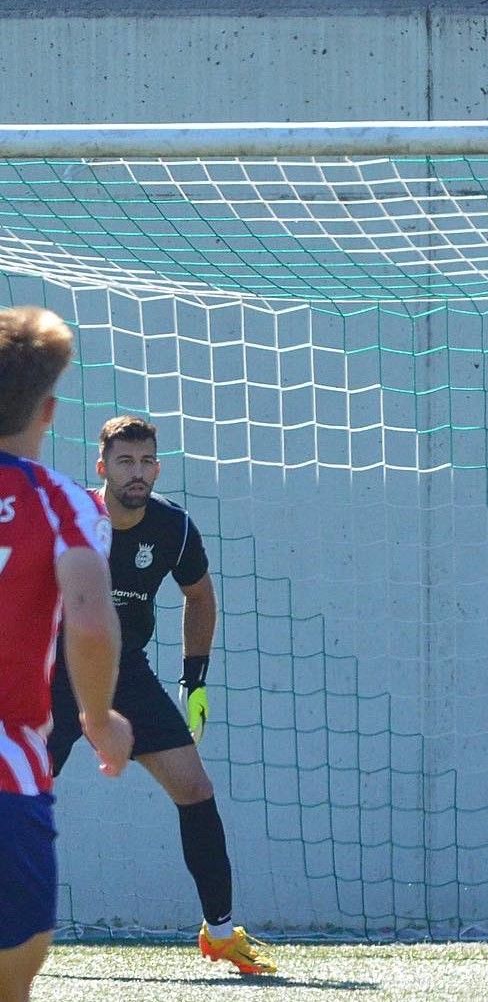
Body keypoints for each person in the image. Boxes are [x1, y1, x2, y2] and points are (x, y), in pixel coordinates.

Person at [47, 415, 277, 974]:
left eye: (147, 461)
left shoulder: (173, 527)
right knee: (15, 798)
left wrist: (194, 680)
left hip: (127, 674)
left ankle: (220, 934)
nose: (138, 472)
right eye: (125, 461)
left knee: (196, 789)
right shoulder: (67, 517)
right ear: (102, 468)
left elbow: (199, 597)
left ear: (158, 466)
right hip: (53, 674)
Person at [0, 306, 132, 1002]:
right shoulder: (63, 502)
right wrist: (100, 715)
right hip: (9, 777)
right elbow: (87, 618)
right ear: (48, 410)